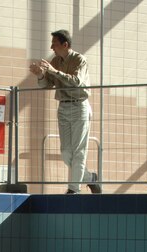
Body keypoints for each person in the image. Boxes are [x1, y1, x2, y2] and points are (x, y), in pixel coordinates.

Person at [30, 29, 101, 194]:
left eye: (54, 44)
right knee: (65, 152)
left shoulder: (79, 60)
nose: (51, 47)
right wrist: (40, 74)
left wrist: (53, 71)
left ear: (65, 44)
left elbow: (76, 81)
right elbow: (46, 84)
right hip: (63, 106)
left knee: (78, 150)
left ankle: (73, 189)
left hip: (79, 106)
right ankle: (90, 178)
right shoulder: (55, 60)